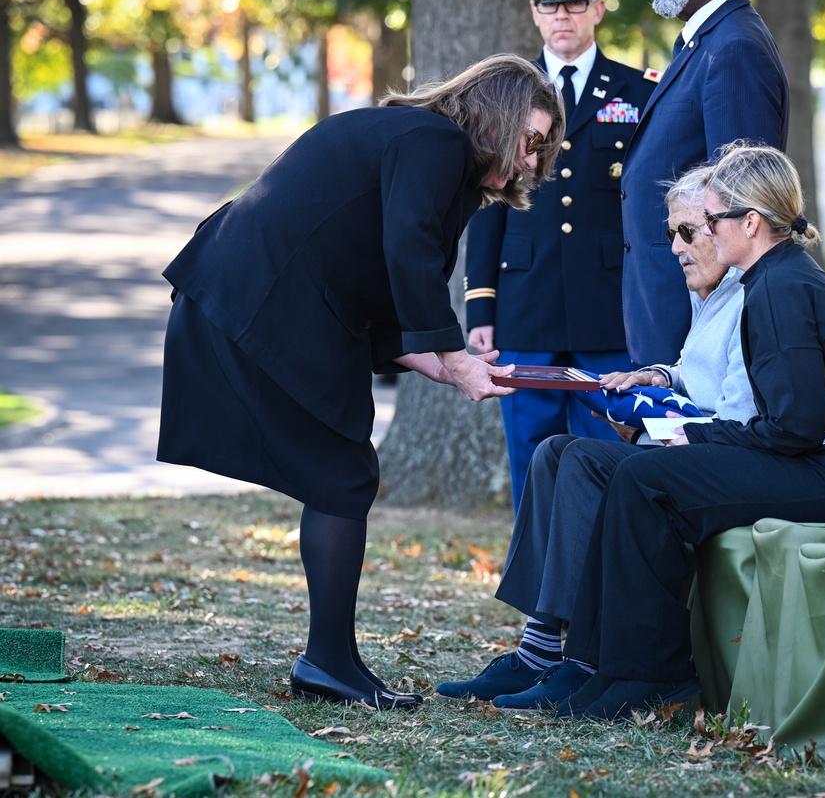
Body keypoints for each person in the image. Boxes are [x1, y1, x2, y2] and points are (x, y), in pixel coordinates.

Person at [156, 54, 565, 710]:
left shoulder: (437, 164)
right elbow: (404, 254)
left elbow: (385, 282)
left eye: (549, 146)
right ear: (499, 117)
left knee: (342, 476)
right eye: (533, 139)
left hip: (281, 299)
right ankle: (328, 663)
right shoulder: (434, 144)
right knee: (343, 477)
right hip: (261, 294)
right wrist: (455, 353)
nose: (538, 159)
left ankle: (330, 661)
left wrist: (442, 364)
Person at [511, 143, 825, 720]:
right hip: (819, 461)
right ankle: (599, 668)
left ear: (751, 222)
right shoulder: (776, 279)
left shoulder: (781, 290)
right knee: (641, 473)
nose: (704, 235)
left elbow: (794, 427)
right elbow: (788, 423)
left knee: (647, 479)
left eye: (713, 221)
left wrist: (695, 438)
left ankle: (648, 674)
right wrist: (692, 434)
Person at [437, 165, 756, 706]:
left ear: (730, 227)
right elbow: (695, 370)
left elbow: (739, 417)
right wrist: (657, 378)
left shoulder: (754, 296)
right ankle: (540, 649)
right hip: (686, 446)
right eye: (671, 233)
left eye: (685, 232)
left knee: (581, 457)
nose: (673, 248)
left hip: (714, 462)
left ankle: (581, 659)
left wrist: (653, 425)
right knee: (553, 452)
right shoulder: (713, 290)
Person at [464, 0, 658, 511]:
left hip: (610, 309)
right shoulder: (505, 98)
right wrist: (481, 309)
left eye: (574, 4)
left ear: (599, 8)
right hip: (526, 306)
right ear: (533, 12)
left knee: (610, 452)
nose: (561, 17)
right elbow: (487, 202)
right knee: (531, 452)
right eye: (549, 5)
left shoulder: (639, 92)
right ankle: (539, 592)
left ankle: (601, 580)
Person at [621, 0, 789, 368]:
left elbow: (744, 210)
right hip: (671, 309)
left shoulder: (734, 48)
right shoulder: (705, 42)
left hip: (696, 322)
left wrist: (714, 335)